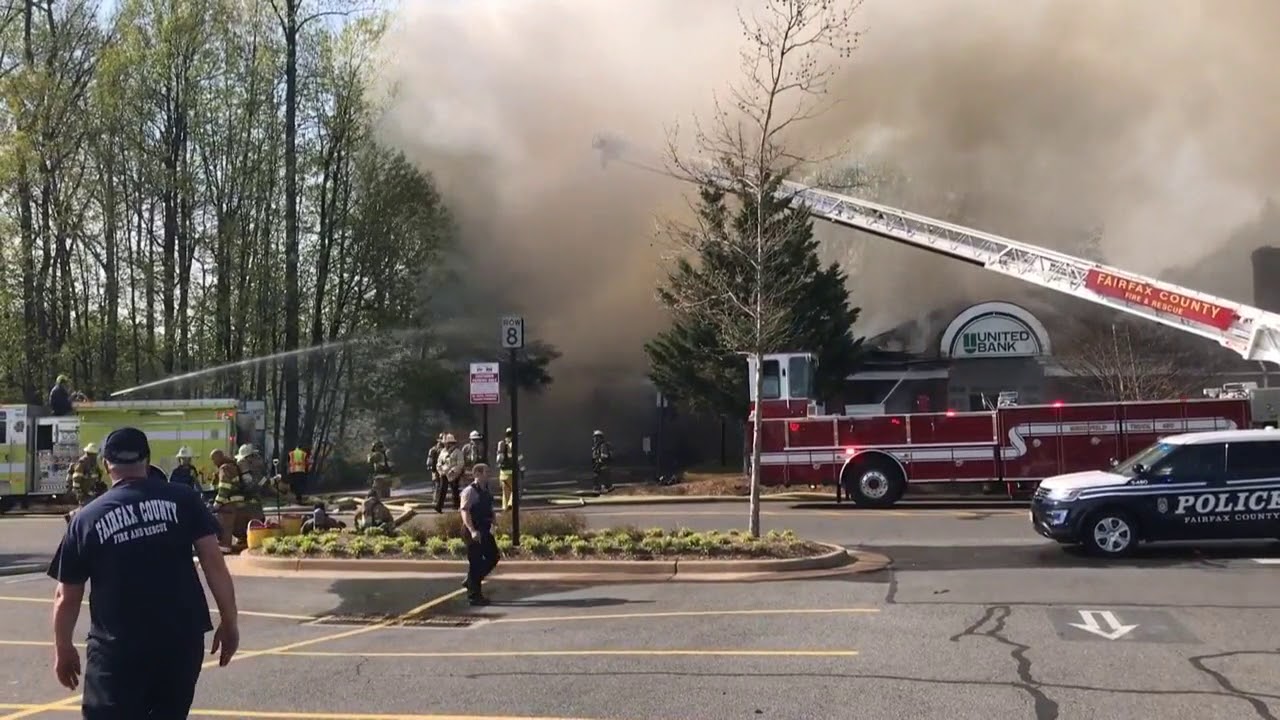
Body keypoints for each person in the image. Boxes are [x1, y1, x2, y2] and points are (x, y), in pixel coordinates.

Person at [45, 427, 240, 719]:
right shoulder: (184, 499)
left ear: (106, 464)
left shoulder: (86, 519)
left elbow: (67, 595)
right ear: (147, 461)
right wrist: (229, 620)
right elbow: (214, 562)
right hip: (181, 642)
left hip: (117, 649)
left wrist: (63, 648)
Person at [459, 463, 499, 606]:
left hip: (485, 528)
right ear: (477, 474)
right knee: (475, 563)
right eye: (485, 472)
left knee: (493, 556)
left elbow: (489, 507)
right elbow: (465, 511)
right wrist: (472, 530)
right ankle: (474, 596)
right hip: (473, 530)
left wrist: (494, 520)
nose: (488, 474)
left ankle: (471, 580)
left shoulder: (486, 490)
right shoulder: (469, 491)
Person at [64, 443, 104, 524]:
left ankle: (72, 516)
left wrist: (98, 484)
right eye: (93, 454)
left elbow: (95, 475)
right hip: (82, 490)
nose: (95, 456)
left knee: (88, 506)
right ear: (89, 454)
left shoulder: (93, 463)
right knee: (87, 506)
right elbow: (76, 478)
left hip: (89, 489)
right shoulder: (82, 463)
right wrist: (78, 491)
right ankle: (73, 517)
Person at [434, 433, 464, 513]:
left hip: (454, 474)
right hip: (444, 473)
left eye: (447, 443)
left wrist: (453, 471)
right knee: (442, 490)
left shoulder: (458, 452)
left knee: (455, 491)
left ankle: (456, 506)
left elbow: (460, 464)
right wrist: (440, 470)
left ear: (451, 443)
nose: (445, 445)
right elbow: (439, 462)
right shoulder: (443, 451)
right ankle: (438, 506)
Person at [494, 428, 516, 511]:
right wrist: (522, 468)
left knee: (505, 492)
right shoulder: (514, 444)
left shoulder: (502, 444)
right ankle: (510, 505)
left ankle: (504, 508)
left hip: (502, 473)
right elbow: (518, 458)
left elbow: (499, 459)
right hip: (512, 473)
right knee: (515, 490)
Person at [426, 433, 444, 505]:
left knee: (442, 484)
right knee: (437, 484)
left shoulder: (446, 450)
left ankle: (440, 499)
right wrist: (429, 466)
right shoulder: (433, 450)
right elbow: (429, 459)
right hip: (435, 469)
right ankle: (436, 500)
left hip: (444, 469)